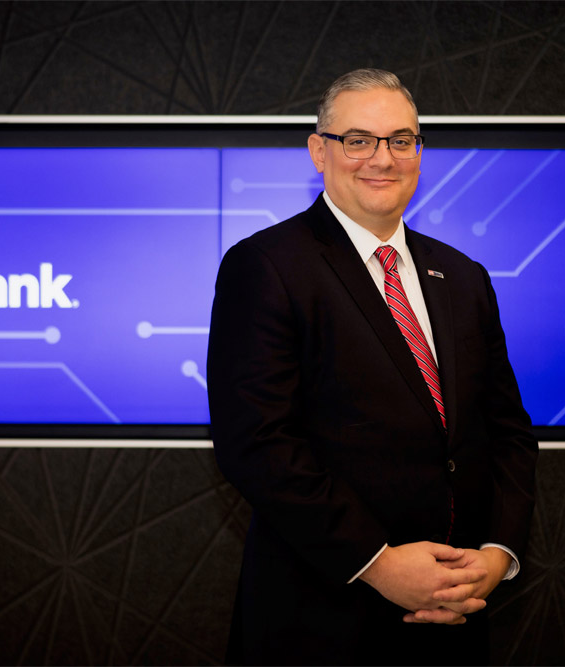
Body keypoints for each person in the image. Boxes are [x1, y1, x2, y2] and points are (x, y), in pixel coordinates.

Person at [207, 68, 538, 666]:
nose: (382, 159)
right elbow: (255, 443)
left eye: (401, 140)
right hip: (321, 624)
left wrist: (496, 554)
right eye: (358, 140)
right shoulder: (266, 266)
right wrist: (379, 562)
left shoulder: (464, 277)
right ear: (319, 151)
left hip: (455, 617)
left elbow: (507, 431)